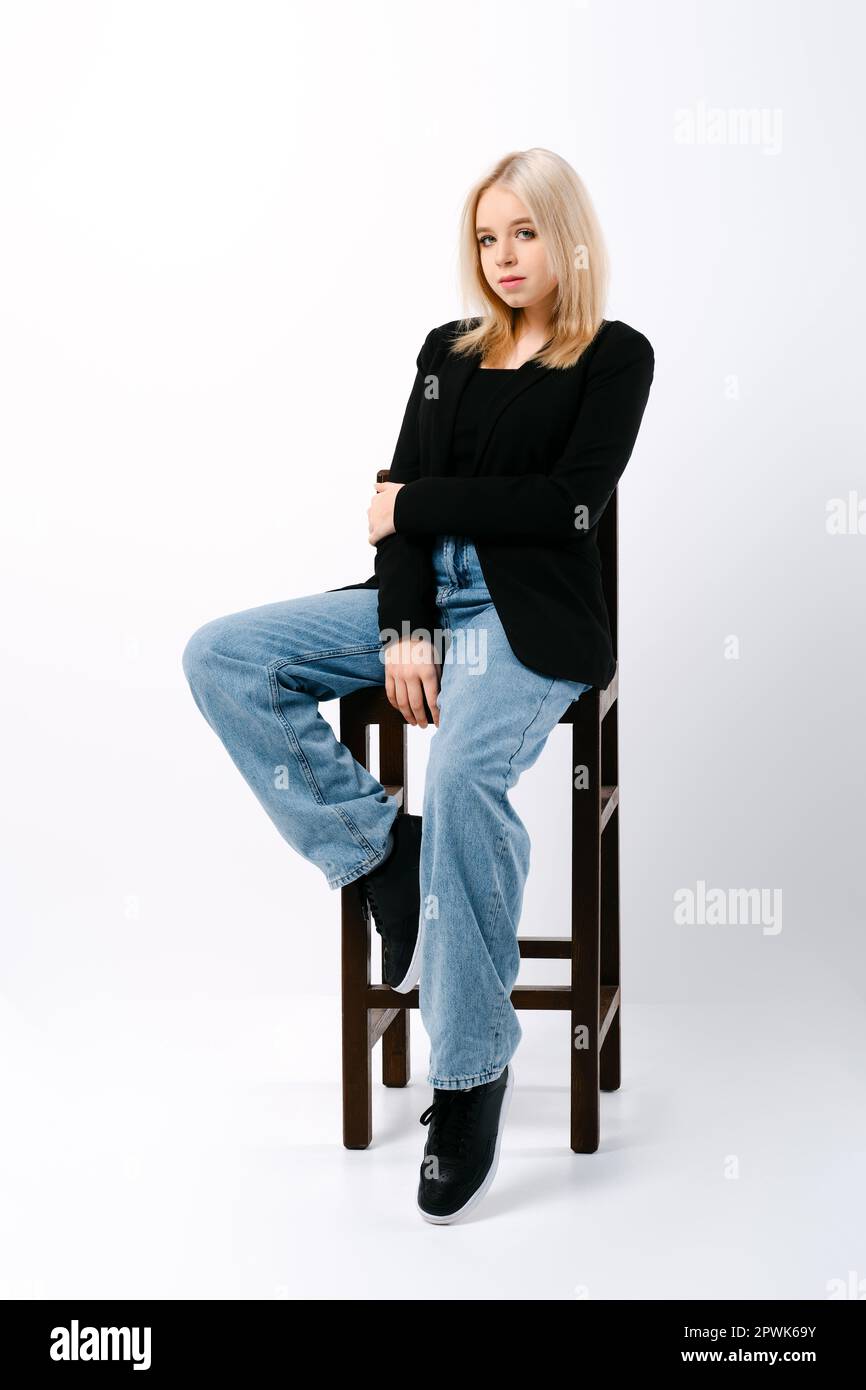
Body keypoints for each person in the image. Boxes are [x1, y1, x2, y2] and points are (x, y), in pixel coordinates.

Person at [181, 146, 655, 1225]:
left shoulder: (612, 356)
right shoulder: (445, 353)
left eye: (523, 233)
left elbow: (566, 509)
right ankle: (384, 856)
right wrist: (401, 622)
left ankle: (469, 1072)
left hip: (527, 614)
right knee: (222, 654)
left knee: (465, 769)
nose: (502, 256)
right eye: (486, 237)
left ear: (566, 236)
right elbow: (394, 520)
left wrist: (417, 501)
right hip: (425, 597)